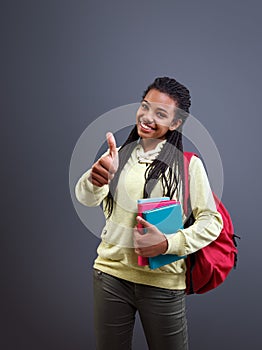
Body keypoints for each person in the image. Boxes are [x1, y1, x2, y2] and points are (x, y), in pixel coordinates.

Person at [75, 77, 223, 350]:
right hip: (110, 276)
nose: (147, 117)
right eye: (145, 106)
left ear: (176, 123)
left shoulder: (188, 166)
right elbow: (84, 198)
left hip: (163, 283)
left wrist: (168, 243)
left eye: (161, 114)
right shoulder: (117, 155)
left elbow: (212, 222)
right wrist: (95, 181)